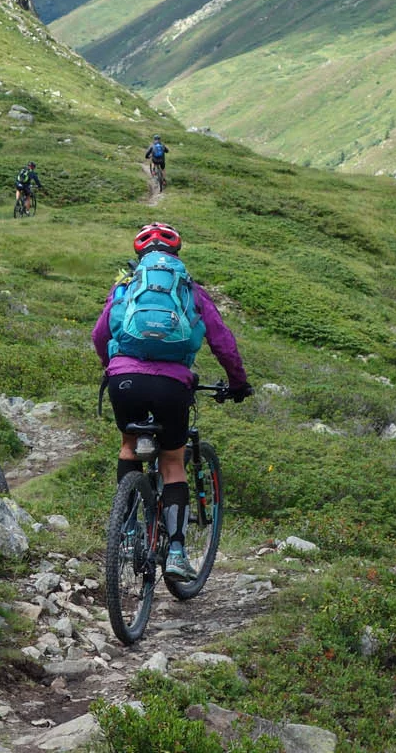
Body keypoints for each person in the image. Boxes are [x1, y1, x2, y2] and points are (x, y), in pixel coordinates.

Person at [92, 222, 250, 582]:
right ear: (175, 256)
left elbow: (100, 334)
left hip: (124, 380)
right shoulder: (190, 289)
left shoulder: (125, 286)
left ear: (140, 257)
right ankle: (177, 551)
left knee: (129, 445)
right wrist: (238, 383)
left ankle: (128, 531)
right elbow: (223, 342)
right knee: (173, 461)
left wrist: (113, 368)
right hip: (172, 386)